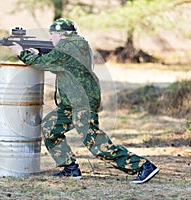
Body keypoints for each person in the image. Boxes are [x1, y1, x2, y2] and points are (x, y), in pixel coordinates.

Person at [9, 18, 159, 184]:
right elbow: (58, 64)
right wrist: (37, 53)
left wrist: (20, 52)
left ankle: (142, 166)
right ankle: (70, 168)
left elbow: (42, 64)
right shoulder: (75, 44)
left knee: (96, 143)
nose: (51, 38)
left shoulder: (69, 45)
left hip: (82, 102)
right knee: (50, 128)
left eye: (52, 35)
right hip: (72, 102)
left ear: (60, 34)